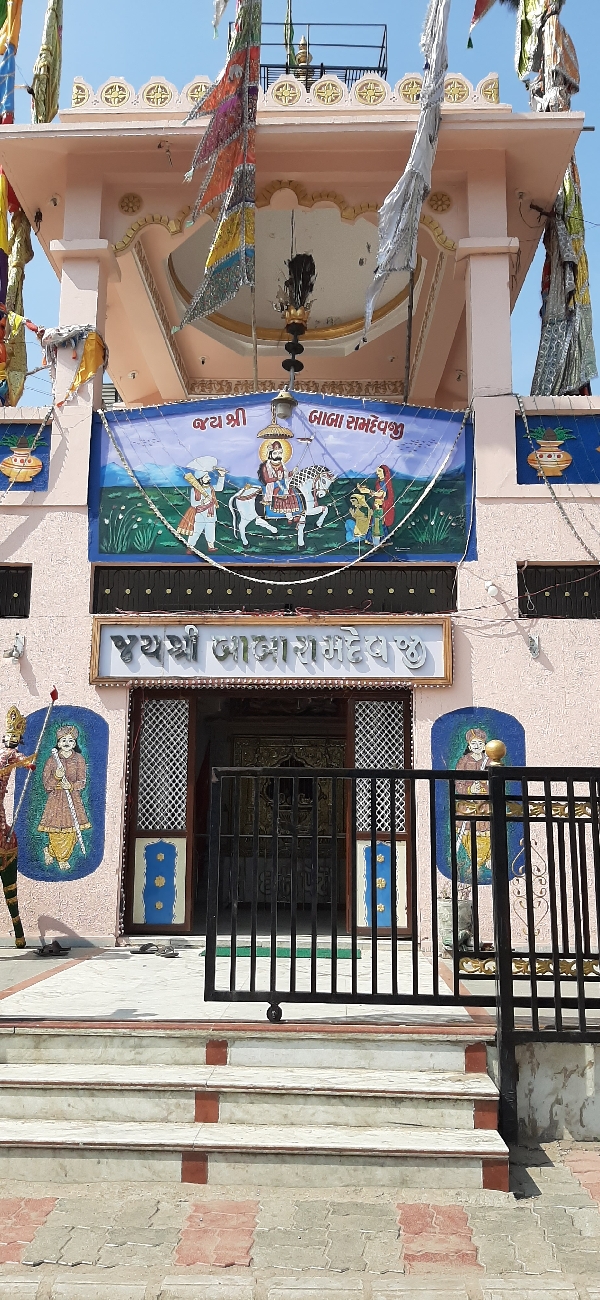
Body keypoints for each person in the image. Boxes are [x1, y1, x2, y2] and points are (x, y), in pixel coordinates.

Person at [0, 705, 36, 946]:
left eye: (15, 737)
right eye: (9, 735)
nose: (11, 739)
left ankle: (19, 934)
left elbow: (25, 761)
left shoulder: (12, 755)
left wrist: (29, 763)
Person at [38, 725, 90, 871]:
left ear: (74, 743)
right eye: (63, 740)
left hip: (72, 798)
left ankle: (51, 852)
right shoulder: (52, 760)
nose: (67, 743)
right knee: (56, 831)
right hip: (56, 800)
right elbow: (46, 784)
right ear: (58, 743)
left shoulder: (79, 759)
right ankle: (61, 859)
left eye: (70, 740)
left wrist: (71, 786)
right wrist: (56, 777)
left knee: (72, 832)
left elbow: (82, 781)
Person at [176, 461, 226, 553]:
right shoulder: (194, 490)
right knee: (196, 532)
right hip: (200, 516)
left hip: (211, 515)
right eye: (206, 477)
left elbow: (220, 488)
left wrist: (222, 475)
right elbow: (193, 503)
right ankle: (190, 547)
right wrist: (203, 502)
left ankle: (211, 546)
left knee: (210, 531)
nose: (209, 478)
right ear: (201, 479)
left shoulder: (211, 488)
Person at [258, 441, 301, 518]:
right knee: (281, 491)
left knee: (291, 491)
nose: (278, 455)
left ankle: (290, 515)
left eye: (280, 453)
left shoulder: (282, 465)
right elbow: (267, 479)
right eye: (275, 453)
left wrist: (292, 472)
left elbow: (286, 475)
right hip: (273, 484)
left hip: (283, 483)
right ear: (270, 454)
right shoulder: (266, 466)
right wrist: (277, 478)